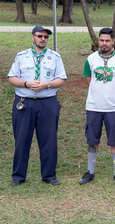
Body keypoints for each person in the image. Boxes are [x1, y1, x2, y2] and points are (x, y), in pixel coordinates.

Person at [8, 25, 67, 186]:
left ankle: (49, 176)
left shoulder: (54, 57)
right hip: (24, 103)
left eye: (46, 37)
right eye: (40, 36)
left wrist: (46, 85)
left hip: (47, 103)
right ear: (32, 37)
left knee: (48, 140)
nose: (43, 39)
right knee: (21, 140)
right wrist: (26, 84)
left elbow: (62, 79)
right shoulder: (22, 56)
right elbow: (12, 78)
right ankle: (18, 176)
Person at [79, 27, 115, 187]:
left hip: (113, 108)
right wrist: (99, 92)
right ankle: (90, 172)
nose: (104, 43)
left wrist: (113, 93)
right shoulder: (91, 59)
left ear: (113, 42)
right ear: (98, 41)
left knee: (114, 140)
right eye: (101, 40)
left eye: (107, 40)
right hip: (94, 107)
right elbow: (88, 79)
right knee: (92, 140)